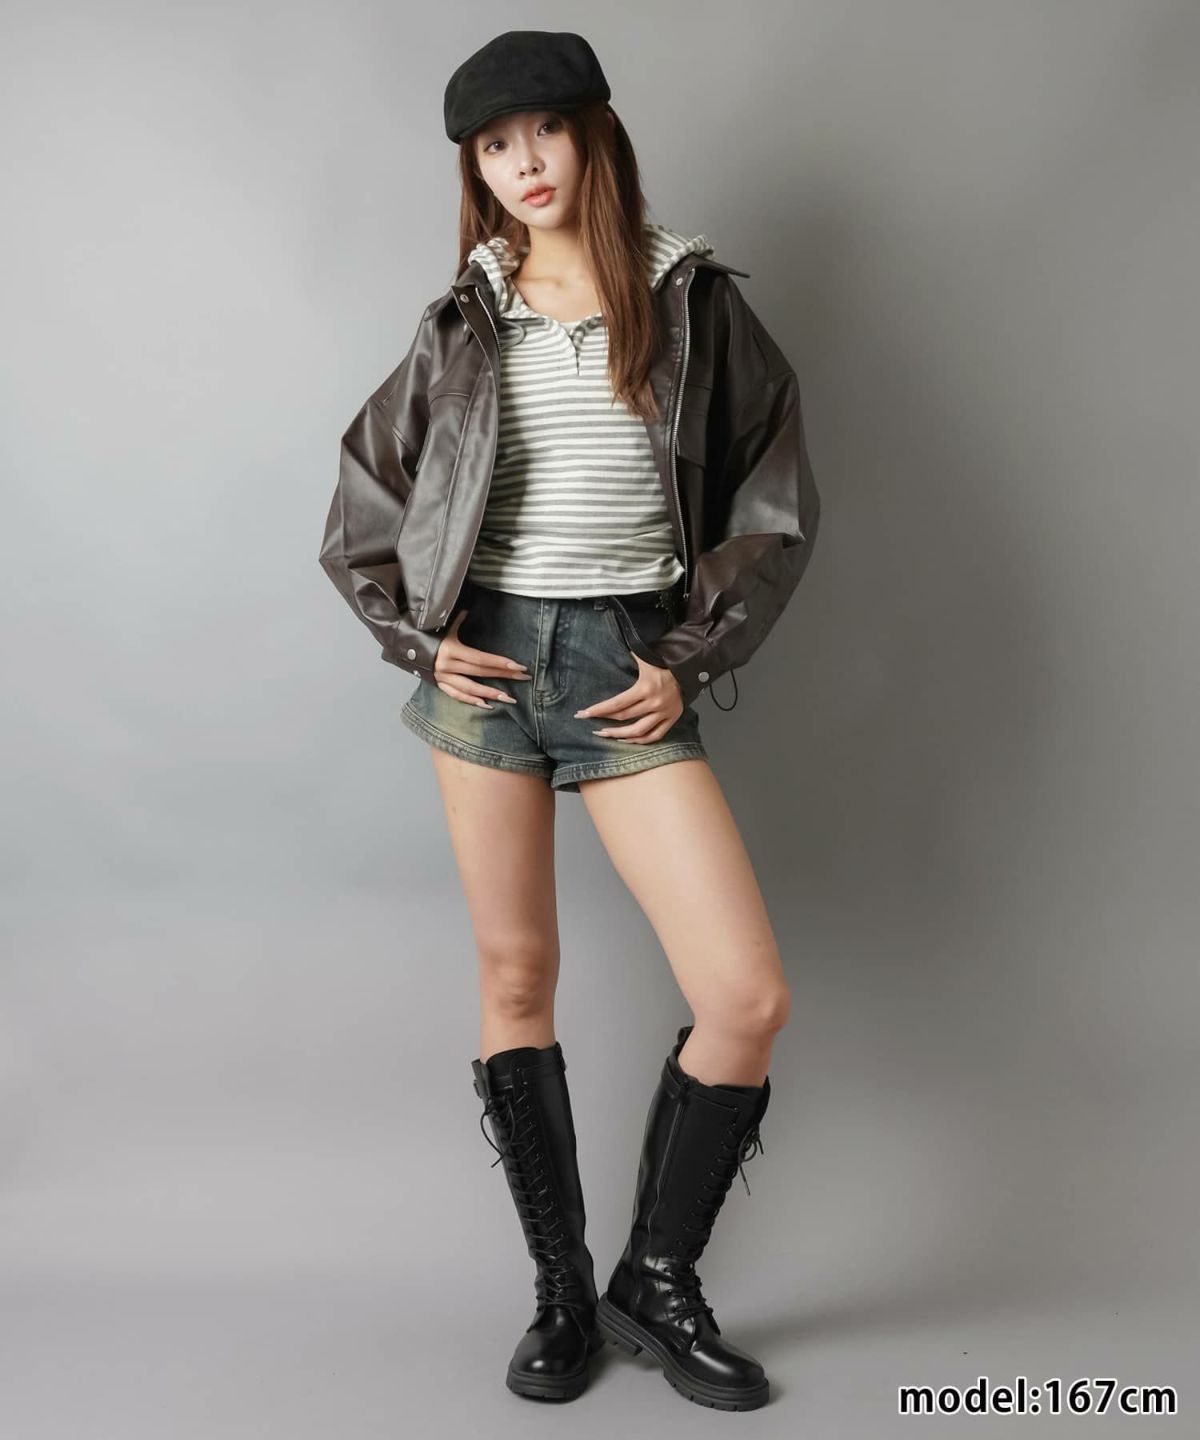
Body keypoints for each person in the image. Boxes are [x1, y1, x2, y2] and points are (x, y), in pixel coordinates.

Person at [318, 29, 820, 1413]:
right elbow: (363, 506)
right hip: (487, 668)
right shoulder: (464, 319)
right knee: (516, 978)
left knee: (745, 995)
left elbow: (773, 503)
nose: (523, 163)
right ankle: (560, 1292)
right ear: (475, 171)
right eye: (493, 146)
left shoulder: (691, 300)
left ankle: (654, 1280)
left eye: (542, 129)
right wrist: (421, 641)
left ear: (595, 133)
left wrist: (690, 654)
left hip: (618, 665)